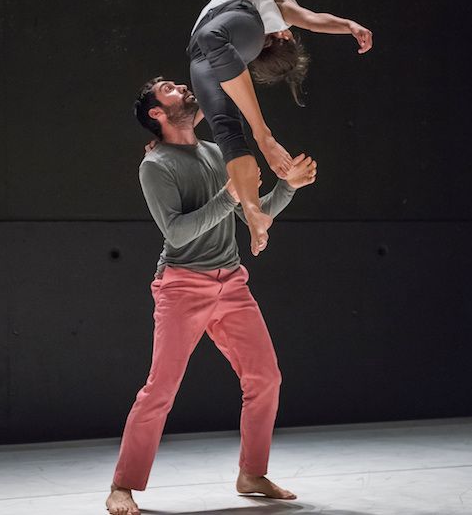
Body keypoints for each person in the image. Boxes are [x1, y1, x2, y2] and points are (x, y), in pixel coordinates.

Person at [106, 77, 318, 515]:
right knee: (160, 389)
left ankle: (252, 473)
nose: (182, 86)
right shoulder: (156, 165)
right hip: (182, 285)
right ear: (157, 114)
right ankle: (123, 485)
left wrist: (290, 185)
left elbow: (253, 212)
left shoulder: (219, 153)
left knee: (265, 378)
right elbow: (178, 233)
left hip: (233, 284)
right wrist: (230, 194)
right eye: (168, 88)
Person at [188, 0, 372, 256]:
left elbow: (312, 20)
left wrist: (350, 26)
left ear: (284, 37)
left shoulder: (272, 11)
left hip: (211, 39)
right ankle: (253, 209)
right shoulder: (240, 47)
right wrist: (172, 139)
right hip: (207, 51)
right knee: (227, 131)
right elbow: (210, 98)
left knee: (225, 123)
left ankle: (262, 148)